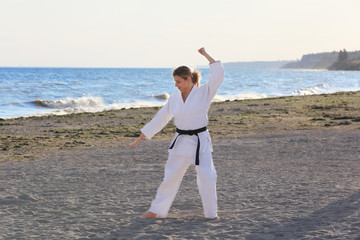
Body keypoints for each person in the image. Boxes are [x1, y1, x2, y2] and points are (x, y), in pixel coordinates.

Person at [130, 47, 224, 220]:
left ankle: (212, 214)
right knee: (170, 178)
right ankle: (156, 210)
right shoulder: (174, 98)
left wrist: (205, 55)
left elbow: (218, 76)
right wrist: (143, 134)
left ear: (189, 79)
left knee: (208, 178)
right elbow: (161, 117)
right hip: (180, 143)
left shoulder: (204, 92)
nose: (176, 85)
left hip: (200, 143)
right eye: (175, 82)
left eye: (179, 81)